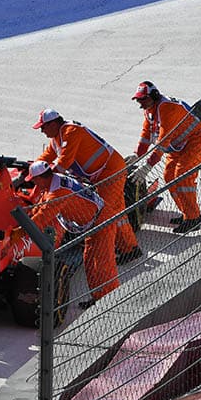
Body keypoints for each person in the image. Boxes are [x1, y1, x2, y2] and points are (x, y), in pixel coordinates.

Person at [31, 109, 141, 284]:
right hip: (105, 174)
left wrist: (44, 179)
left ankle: (114, 259)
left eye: (43, 127)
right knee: (117, 211)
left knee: (104, 219)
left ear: (53, 124)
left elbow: (63, 162)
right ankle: (130, 248)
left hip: (110, 173)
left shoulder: (71, 132)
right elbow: (45, 158)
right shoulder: (57, 139)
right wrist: (29, 174)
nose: (42, 131)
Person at [8, 161, 115, 308]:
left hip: (103, 221)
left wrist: (20, 231)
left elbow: (42, 218)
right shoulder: (54, 180)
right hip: (94, 222)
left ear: (41, 178)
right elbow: (41, 206)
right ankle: (99, 298)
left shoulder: (58, 192)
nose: (33, 183)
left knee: (102, 264)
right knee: (90, 262)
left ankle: (112, 300)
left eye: (34, 180)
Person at [131, 81, 201, 233]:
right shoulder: (150, 110)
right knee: (169, 176)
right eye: (138, 100)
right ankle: (187, 214)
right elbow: (146, 134)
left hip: (196, 139)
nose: (140, 103)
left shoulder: (167, 108)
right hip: (178, 145)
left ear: (154, 96)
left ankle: (193, 218)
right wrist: (137, 154)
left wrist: (148, 166)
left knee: (182, 176)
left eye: (143, 99)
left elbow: (162, 142)